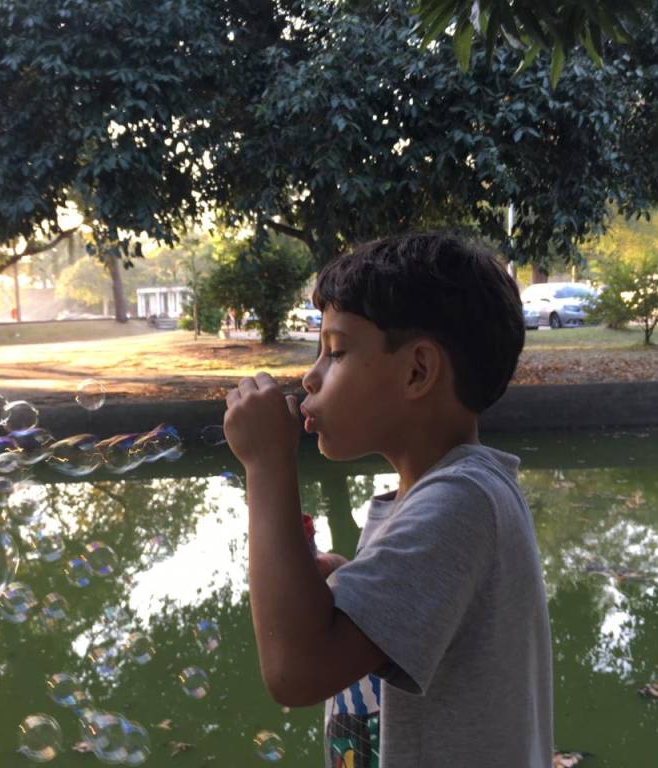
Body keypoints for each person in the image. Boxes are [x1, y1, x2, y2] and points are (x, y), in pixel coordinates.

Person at [222, 232, 553, 767]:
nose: (310, 375)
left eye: (336, 351)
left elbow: (295, 669)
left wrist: (266, 466)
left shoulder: (460, 501)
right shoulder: (434, 496)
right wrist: (348, 585)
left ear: (418, 370)